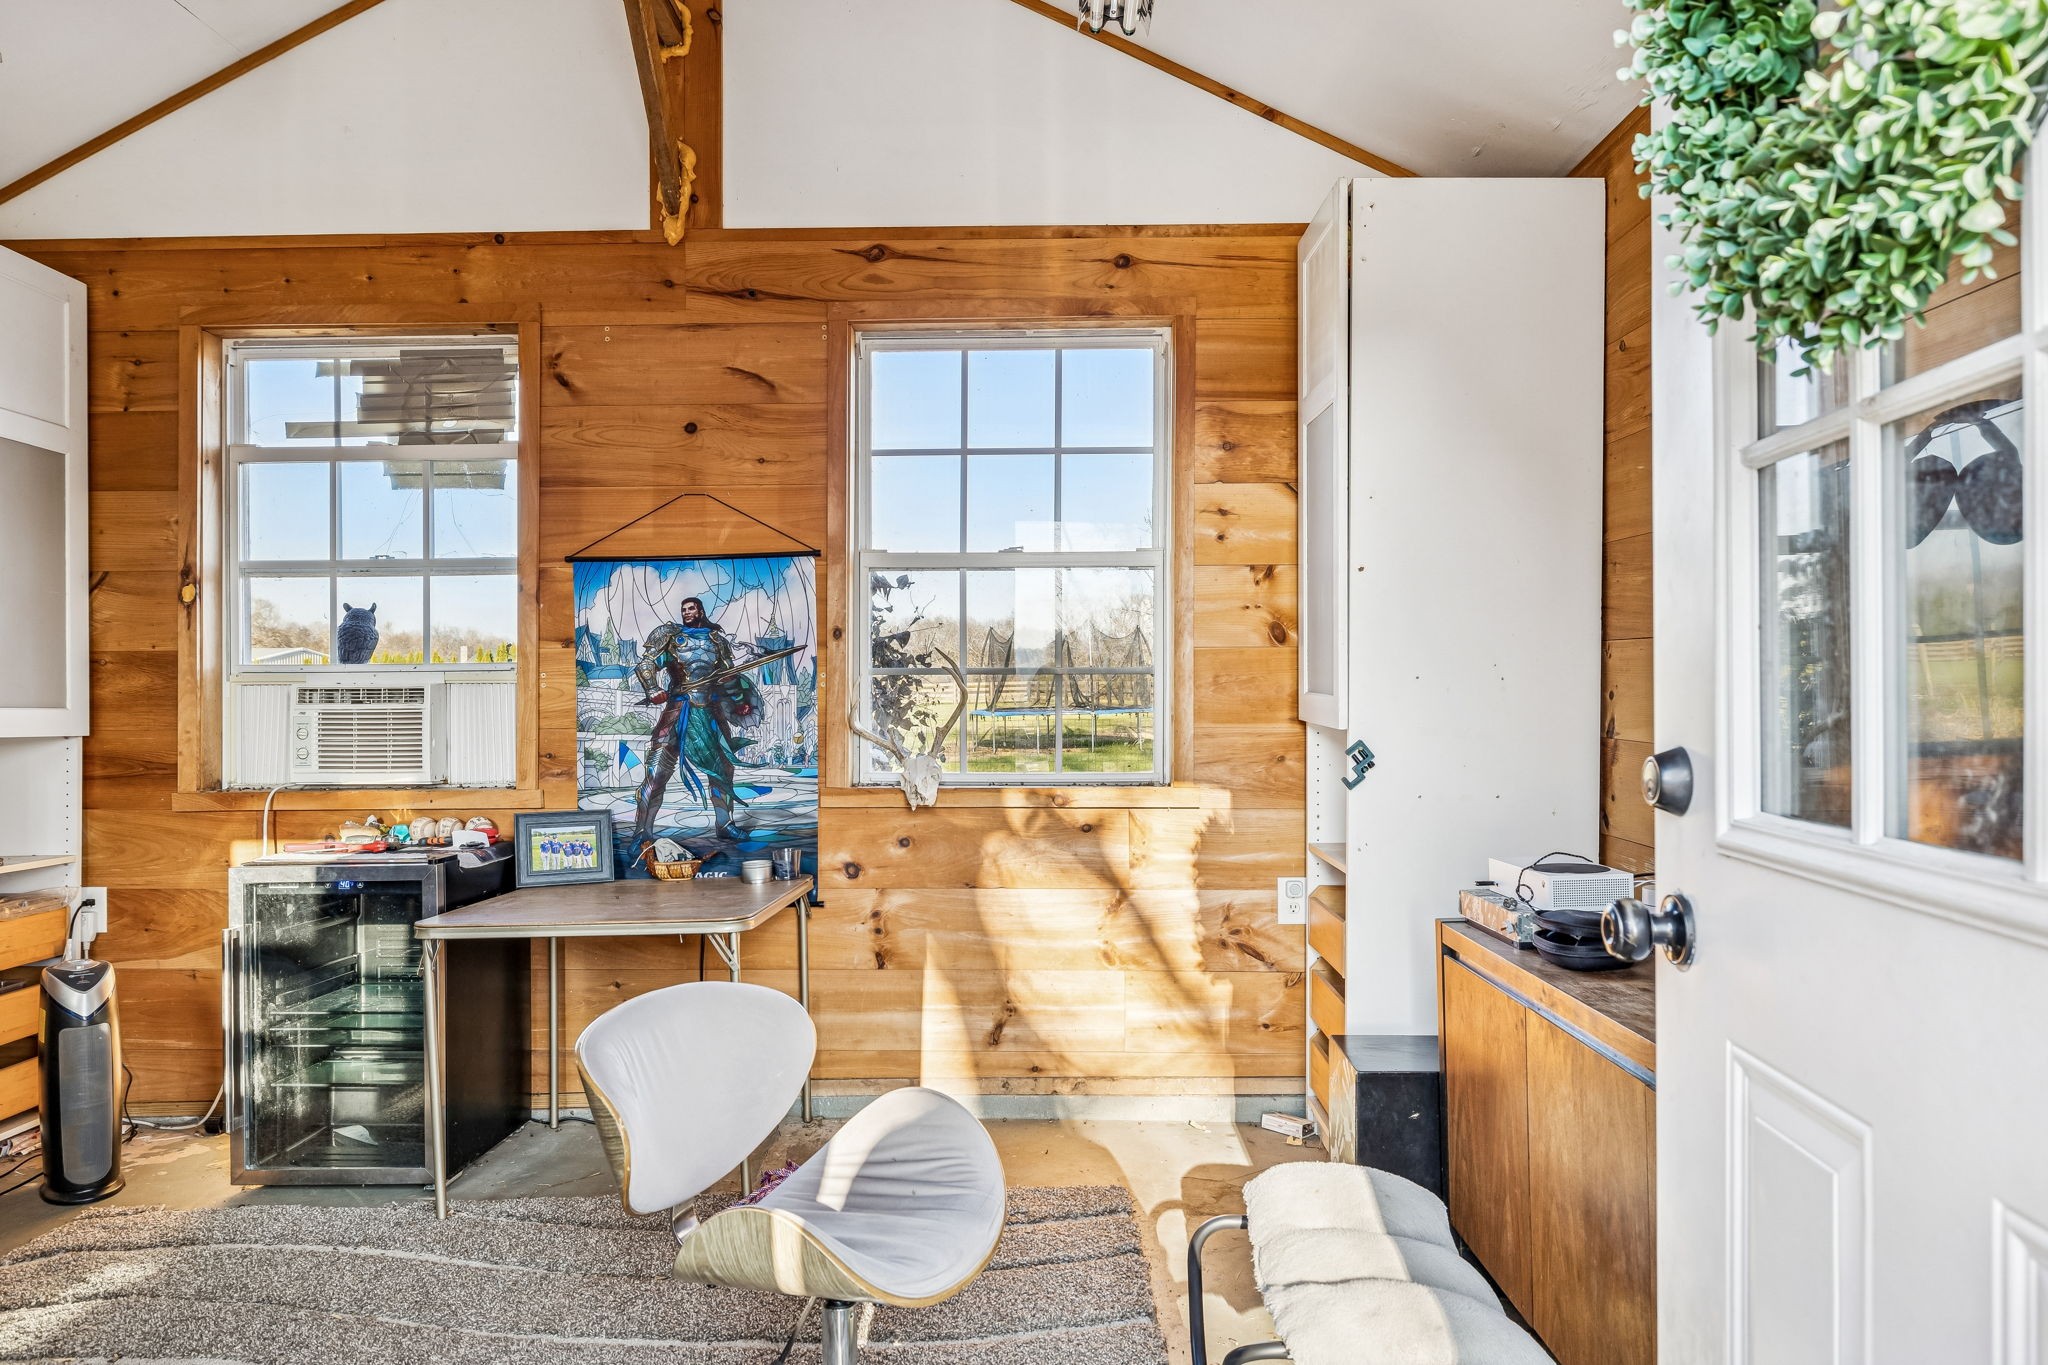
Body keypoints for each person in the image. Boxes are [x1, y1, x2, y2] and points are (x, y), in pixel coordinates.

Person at [630, 597, 756, 860]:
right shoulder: (670, 636)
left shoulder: (716, 640)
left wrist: (738, 701)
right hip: (678, 709)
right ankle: (642, 832)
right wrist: (652, 689)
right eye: (683, 609)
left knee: (723, 769)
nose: (687, 612)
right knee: (656, 772)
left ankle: (725, 825)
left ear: (700, 610)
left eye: (691, 608)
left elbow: (728, 675)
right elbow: (645, 664)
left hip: (710, 712)